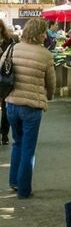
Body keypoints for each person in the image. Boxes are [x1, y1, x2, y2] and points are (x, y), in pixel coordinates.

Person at [5, 18, 55, 198]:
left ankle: (14, 182)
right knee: (28, 148)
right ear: (41, 33)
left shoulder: (13, 49)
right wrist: (49, 96)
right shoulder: (45, 55)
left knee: (17, 143)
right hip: (32, 107)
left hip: (11, 104)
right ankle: (24, 190)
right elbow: (51, 82)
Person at [0, 19, 15, 145]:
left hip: (5, 77)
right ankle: (4, 134)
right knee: (5, 106)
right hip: (5, 77)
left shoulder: (9, 42)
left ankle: (4, 134)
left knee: (5, 107)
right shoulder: (10, 41)